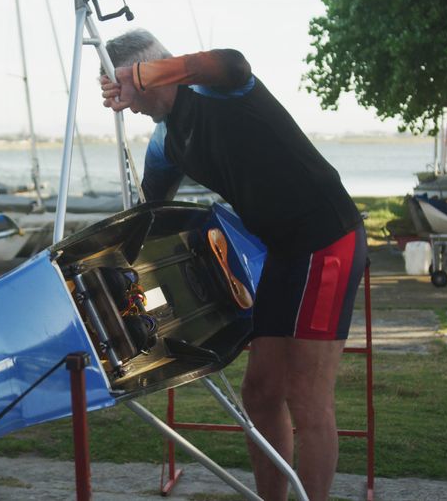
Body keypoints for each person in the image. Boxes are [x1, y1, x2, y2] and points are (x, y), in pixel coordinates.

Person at [99, 29, 366, 501]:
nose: (124, 102)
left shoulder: (215, 87)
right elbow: (149, 212)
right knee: (261, 394)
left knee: (306, 396)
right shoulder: (164, 143)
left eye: (121, 87)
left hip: (328, 239)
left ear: (147, 74)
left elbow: (233, 62)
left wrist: (143, 72)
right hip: (281, 253)